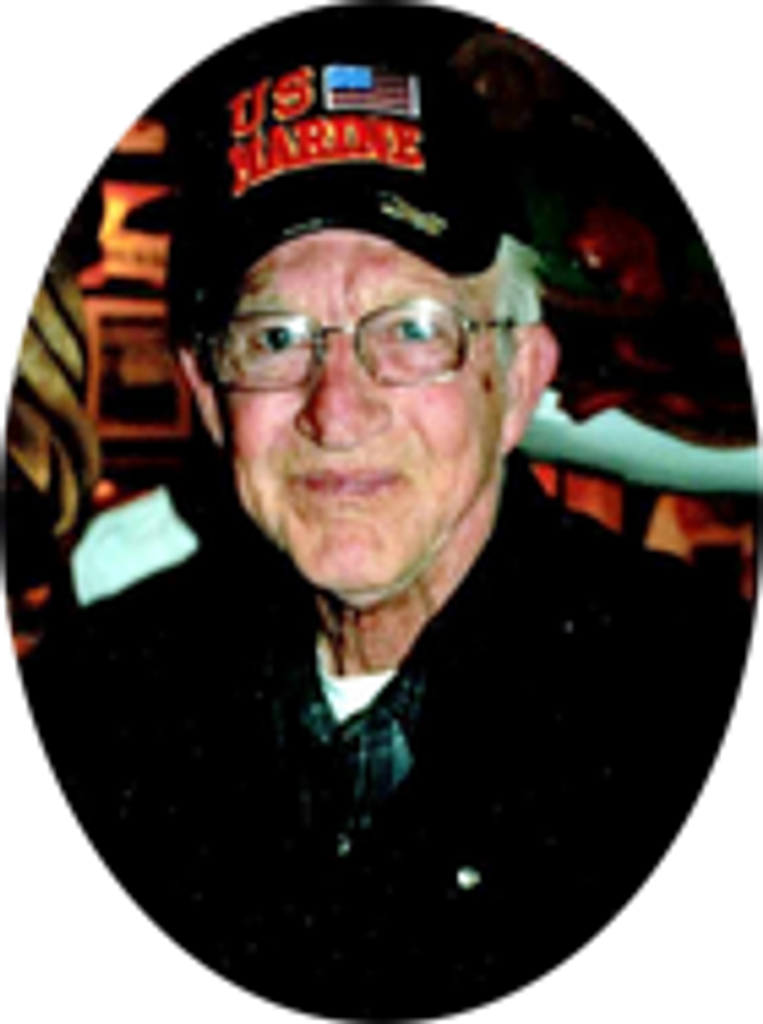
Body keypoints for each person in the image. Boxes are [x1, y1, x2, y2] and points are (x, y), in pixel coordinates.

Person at [14, 18, 758, 1017]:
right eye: (275, 337)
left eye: (411, 329)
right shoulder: (89, 712)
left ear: (516, 376)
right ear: (208, 395)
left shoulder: (709, 724)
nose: (336, 410)